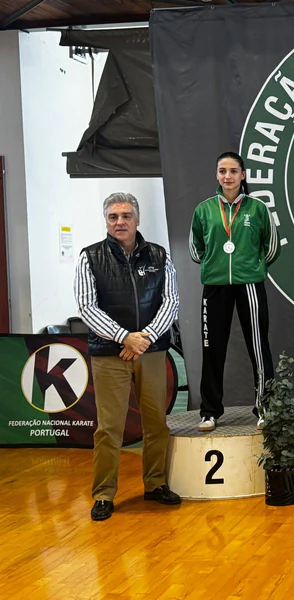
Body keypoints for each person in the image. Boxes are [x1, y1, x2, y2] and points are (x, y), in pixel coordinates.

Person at [74, 192, 181, 521]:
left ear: (137, 219)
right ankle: (104, 494)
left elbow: (171, 301)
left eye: (125, 216)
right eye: (113, 217)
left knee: (156, 423)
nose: (119, 222)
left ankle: (155, 484)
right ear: (106, 221)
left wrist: (144, 338)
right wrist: (125, 337)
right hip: (110, 355)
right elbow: (87, 307)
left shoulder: (159, 255)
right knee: (109, 428)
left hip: (151, 352)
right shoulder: (90, 257)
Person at [190, 151, 281, 431]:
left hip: (249, 284)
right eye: (222, 171)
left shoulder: (258, 208)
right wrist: (215, 264)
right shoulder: (204, 210)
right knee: (212, 348)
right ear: (217, 175)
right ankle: (209, 411)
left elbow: (272, 247)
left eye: (233, 171)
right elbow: (196, 249)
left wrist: (253, 267)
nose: (227, 176)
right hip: (215, 286)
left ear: (243, 175)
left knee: (258, 346)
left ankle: (265, 407)